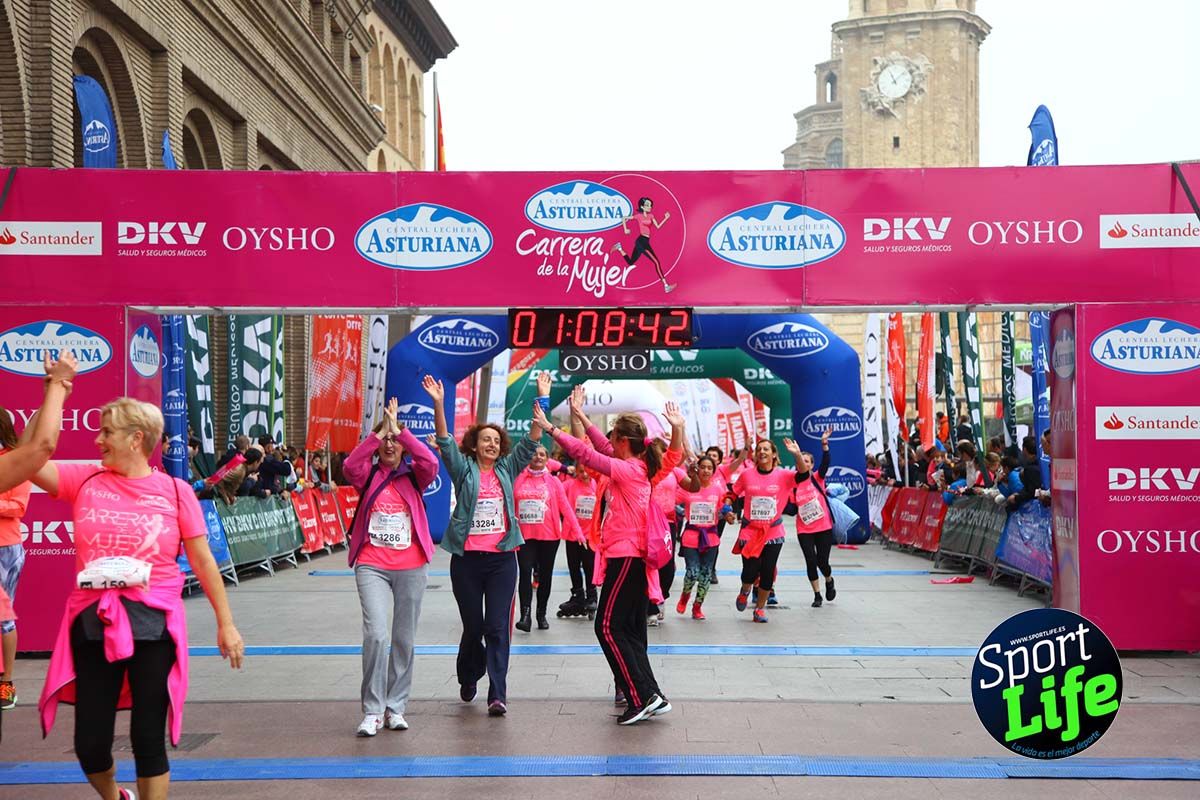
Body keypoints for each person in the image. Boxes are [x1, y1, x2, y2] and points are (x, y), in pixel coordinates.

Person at [34, 397, 244, 800]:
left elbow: (202, 561)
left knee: (148, 737)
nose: (98, 440)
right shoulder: (86, 478)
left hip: (154, 623)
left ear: (136, 439)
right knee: (90, 744)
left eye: (107, 432)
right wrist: (56, 391)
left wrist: (226, 623)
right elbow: (33, 461)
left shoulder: (175, 492)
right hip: (95, 622)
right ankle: (115, 796)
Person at [536, 389, 685, 725]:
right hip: (632, 558)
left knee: (607, 626)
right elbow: (601, 449)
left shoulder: (630, 470)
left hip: (627, 557)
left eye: (613, 435)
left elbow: (588, 456)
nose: (609, 440)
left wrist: (551, 428)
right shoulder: (635, 465)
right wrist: (582, 416)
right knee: (629, 631)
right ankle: (651, 694)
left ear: (622, 440)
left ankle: (642, 696)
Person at [424, 372, 547, 717]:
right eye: (485, 440)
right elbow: (446, 441)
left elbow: (531, 440)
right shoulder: (464, 471)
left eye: (496, 440)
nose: (492, 444)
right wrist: (438, 403)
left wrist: (542, 397)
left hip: (502, 561)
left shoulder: (508, 468)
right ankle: (468, 674)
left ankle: (497, 692)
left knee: (496, 626)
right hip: (466, 562)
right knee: (473, 627)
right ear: (475, 446)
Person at [341, 397, 438, 737]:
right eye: (385, 442)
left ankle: (395, 707)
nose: (390, 445)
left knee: (403, 639)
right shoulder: (366, 476)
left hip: (411, 565)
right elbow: (350, 466)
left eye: (395, 442)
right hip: (372, 564)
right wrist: (378, 432)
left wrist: (400, 430)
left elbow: (430, 460)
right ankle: (371, 711)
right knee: (376, 635)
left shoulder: (415, 476)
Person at [513, 444, 583, 632]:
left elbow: (565, 507)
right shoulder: (518, 478)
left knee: (545, 575)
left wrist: (578, 532)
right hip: (525, 536)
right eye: (534, 454)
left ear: (547, 459)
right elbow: (509, 504)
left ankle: (541, 614)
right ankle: (525, 615)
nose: (538, 457)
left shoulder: (553, 482)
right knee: (525, 573)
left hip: (549, 536)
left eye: (542, 454)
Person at [731, 439, 799, 623]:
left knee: (768, 572)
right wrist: (727, 508)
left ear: (774, 454)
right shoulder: (747, 475)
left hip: (773, 532)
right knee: (750, 571)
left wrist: (797, 454)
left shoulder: (783, 475)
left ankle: (760, 609)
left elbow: (803, 474)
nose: (762, 452)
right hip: (750, 531)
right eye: (759, 449)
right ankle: (745, 590)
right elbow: (733, 493)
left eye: (766, 449)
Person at [0, 405, 33, 710]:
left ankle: (6, 684)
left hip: (5, 549)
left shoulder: (15, 461)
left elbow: (17, 507)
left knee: (3, 620)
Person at [675, 456, 735, 620]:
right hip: (691, 538)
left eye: (709, 468)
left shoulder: (717, 490)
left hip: (711, 538)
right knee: (692, 572)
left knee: (705, 574)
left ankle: (697, 606)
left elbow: (724, 509)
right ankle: (685, 596)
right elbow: (672, 501)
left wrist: (729, 516)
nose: (706, 470)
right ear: (697, 469)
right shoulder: (688, 488)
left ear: (713, 471)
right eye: (703, 467)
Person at [784, 431, 837, 609]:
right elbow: (791, 510)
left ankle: (829, 579)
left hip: (823, 527)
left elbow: (826, 463)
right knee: (810, 561)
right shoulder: (793, 484)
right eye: (802, 461)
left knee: (822, 561)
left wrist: (824, 445)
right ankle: (817, 594)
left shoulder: (817, 478)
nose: (804, 464)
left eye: (807, 461)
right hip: (804, 529)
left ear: (812, 465)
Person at [559, 462, 598, 618]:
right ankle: (577, 595)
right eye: (581, 472)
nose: (585, 475)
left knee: (590, 567)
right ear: (576, 470)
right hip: (573, 534)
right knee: (573, 567)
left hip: (590, 536)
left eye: (587, 471)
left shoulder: (597, 485)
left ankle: (592, 596)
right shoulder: (569, 485)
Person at [611, 196, 675, 293]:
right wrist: (625, 229)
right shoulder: (638, 216)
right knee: (656, 262)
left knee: (631, 262)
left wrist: (665, 218)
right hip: (641, 241)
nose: (649, 207)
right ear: (642, 206)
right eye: (647, 205)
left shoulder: (651, 216)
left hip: (645, 241)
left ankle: (619, 248)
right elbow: (624, 218)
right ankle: (666, 286)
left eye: (650, 205)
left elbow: (657, 226)